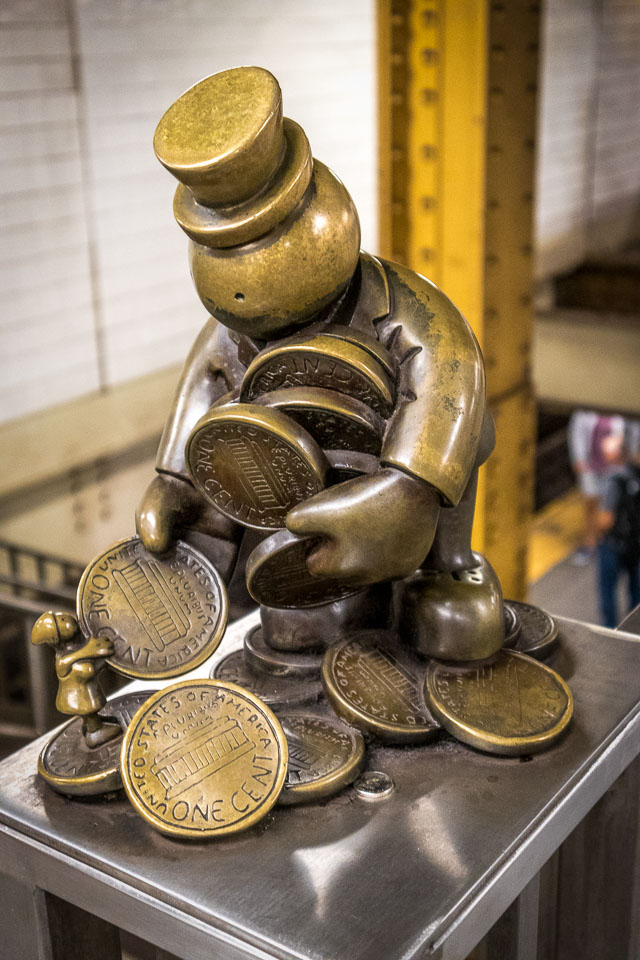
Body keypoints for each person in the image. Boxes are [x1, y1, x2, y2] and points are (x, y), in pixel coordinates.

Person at [568, 411, 626, 564]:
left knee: (609, 507)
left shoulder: (621, 412)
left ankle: (606, 542)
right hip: (590, 466)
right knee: (590, 504)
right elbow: (576, 434)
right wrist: (579, 459)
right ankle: (589, 544)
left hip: (613, 467)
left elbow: (627, 435)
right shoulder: (583, 413)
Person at [596, 432, 640, 628]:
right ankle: (633, 629)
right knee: (635, 591)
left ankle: (610, 629)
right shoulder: (634, 475)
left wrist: (598, 535)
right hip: (635, 544)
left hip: (613, 545)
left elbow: (606, 519)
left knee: (607, 590)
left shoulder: (613, 480)